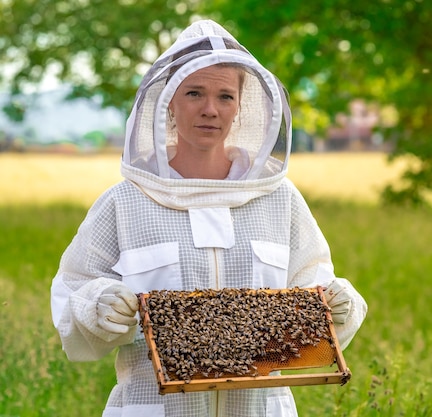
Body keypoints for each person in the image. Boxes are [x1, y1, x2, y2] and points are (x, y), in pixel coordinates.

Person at [50, 19, 367, 417]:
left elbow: (313, 286)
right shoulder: (126, 202)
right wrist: (98, 306)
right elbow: (72, 292)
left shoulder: (278, 199)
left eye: (225, 96)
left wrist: (339, 304)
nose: (210, 110)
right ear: (169, 100)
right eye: (194, 93)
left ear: (241, 105)